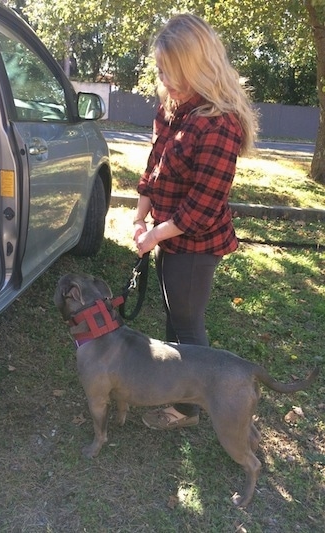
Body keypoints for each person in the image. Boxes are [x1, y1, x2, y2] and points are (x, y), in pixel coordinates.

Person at [133, 13, 258, 430]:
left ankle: (187, 409)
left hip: (197, 244)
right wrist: (139, 217)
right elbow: (153, 166)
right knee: (175, 317)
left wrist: (155, 234)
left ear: (198, 67)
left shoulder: (219, 124)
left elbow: (203, 206)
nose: (165, 79)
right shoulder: (172, 107)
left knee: (186, 324)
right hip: (169, 237)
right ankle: (180, 394)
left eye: (173, 71)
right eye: (162, 69)